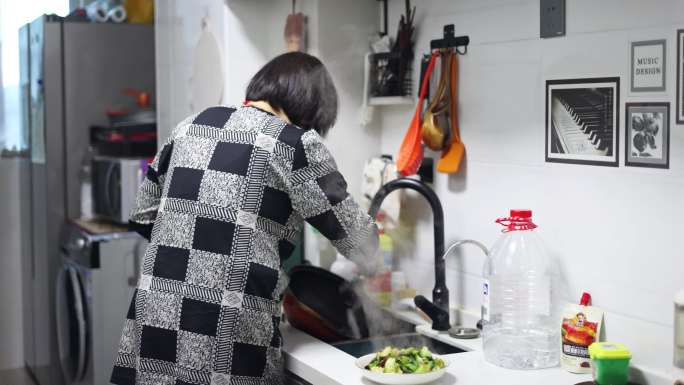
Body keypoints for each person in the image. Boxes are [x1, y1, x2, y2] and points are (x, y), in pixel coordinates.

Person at [110, 52, 379, 385]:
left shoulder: (190, 125)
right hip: (227, 330)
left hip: (155, 320)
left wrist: (198, 254)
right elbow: (360, 242)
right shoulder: (294, 144)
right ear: (311, 108)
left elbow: (142, 216)